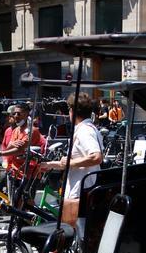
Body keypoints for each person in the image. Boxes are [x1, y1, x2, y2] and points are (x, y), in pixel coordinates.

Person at [40, 92, 102, 232]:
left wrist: (68, 163)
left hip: (80, 192)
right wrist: (50, 165)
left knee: (74, 235)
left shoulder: (84, 131)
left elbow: (96, 157)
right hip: (81, 191)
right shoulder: (87, 129)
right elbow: (76, 160)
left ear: (72, 111)